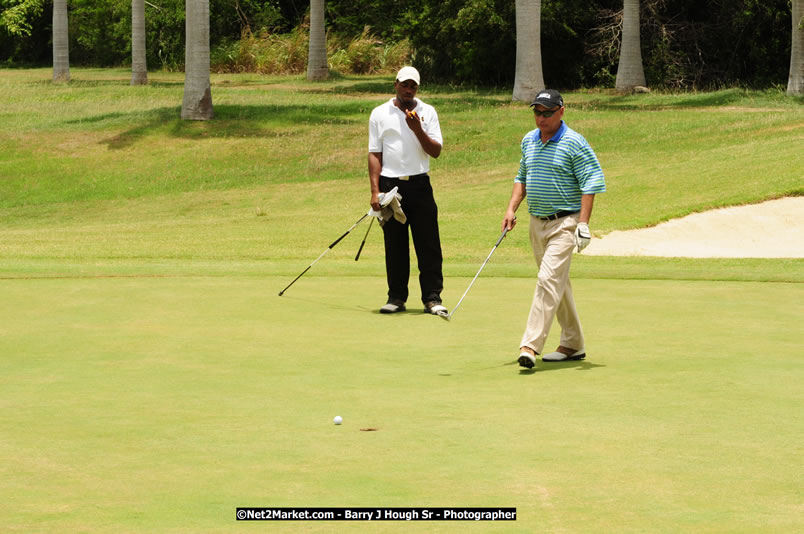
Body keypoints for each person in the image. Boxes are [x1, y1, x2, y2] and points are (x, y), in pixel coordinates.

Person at [501, 89, 606, 368]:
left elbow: (591, 182)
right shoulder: (529, 140)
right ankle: (573, 343)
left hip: (565, 223)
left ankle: (529, 346)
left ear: (561, 112)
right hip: (537, 223)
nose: (541, 118)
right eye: (537, 112)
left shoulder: (574, 142)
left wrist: (583, 224)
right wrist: (511, 208)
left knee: (547, 280)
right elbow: (521, 177)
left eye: (547, 112)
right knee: (557, 283)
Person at [368, 66, 447, 316]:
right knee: (395, 244)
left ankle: (432, 298)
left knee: (428, 243)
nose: (408, 89)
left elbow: (435, 151)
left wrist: (417, 129)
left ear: (417, 88)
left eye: (413, 86)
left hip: (420, 184)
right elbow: (374, 153)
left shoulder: (427, 112)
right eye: (404, 84)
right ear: (396, 85)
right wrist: (374, 191)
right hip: (391, 186)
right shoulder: (380, 113)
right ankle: (396, 297)